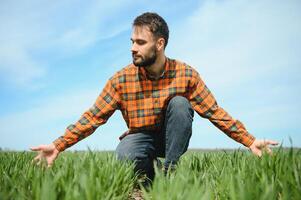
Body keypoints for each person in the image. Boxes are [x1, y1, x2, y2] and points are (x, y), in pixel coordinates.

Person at [31, 12, 278, 181]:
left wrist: (249, 140)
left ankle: (170, 173)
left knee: (181, 104)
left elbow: (215, 112)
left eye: (140, 42)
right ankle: (152, 174)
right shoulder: (121, 80)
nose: (132, 48)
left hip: (173, 137)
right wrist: (59, 145)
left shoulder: (185, 74)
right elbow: (92, 117)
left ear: (159, 44)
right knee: (124, 157)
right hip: (140, 138)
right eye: (132, 41)